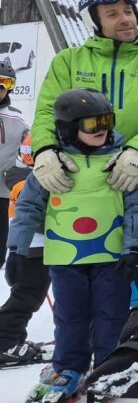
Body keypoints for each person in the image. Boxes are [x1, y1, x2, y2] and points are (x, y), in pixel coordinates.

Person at [31, 0, 138, 293]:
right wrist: (44, 151)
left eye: (128, 11)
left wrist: (136, 152)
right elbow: (46, 112)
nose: (125, 19)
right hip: (80, 184)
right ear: (93, 22)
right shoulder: (68, 61)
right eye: (112, 14)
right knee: (84, 277)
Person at [10, 89, 138, 403]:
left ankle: (108, 367)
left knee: (111, 315)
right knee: (70, 316)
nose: (102, 129)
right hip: (65, 256)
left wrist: (132, 249)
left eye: (106, 121)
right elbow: (28, 209)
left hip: (111, 256)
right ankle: (69, 368)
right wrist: (17, 250)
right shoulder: (52, 166)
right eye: (92, 124)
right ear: (70, 127)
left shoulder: (122, 164)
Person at [0, 133, 50, 367]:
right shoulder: (26, 181)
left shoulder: (20, 176)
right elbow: (34, 216)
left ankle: (13, 338)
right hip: (34, 246)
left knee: (26, 294)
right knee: (28, 296)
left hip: (29, 245)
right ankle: (6, 341)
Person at [0, 61, 28, 267]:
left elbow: (30, 149)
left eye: (5, 83)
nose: (0, 88)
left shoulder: (17, 118)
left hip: (3, 192)